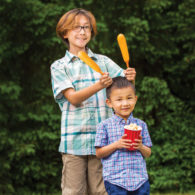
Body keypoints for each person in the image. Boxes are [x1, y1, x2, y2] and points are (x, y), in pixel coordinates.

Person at [50, 8, 136, 195]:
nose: (82, 31)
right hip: (74, 142)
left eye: (86, 27)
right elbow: (72, 98)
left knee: (101, 191)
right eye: (76, 27)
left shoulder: (103, 62)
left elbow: (124, 89)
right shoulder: (59, 66)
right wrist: (99, 86)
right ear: (65, 32)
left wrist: (130, 77)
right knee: (74, 191)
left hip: (103, 142)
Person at [95, 76, 152, 195]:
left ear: (135, 99)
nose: (125, 103)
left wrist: (140, 146)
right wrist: (116, 145)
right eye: (119, 100)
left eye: (129, 98)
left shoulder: (141, 124)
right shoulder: (104, 126)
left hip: (140, 180)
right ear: (109, 103)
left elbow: (148, 153)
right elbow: (99, 153)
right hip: (115, 181)